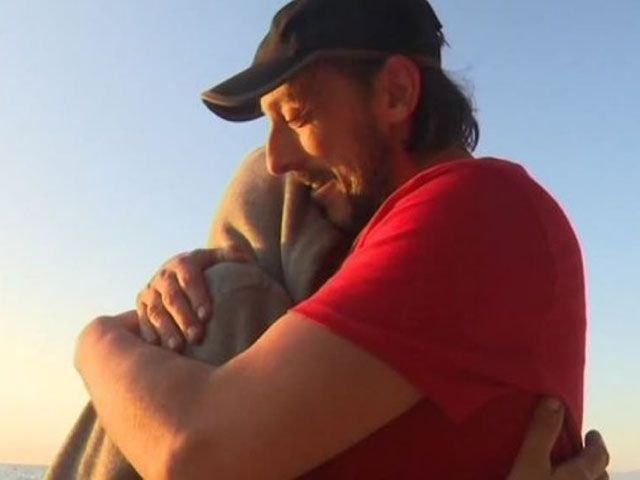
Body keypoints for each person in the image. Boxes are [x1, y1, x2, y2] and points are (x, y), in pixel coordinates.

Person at [69, 0, 607, 478]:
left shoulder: (479, 208)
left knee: (224, 293)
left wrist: (97, 341)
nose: (276, 159)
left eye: (296, 115)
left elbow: (193, 455)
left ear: (396, 93)